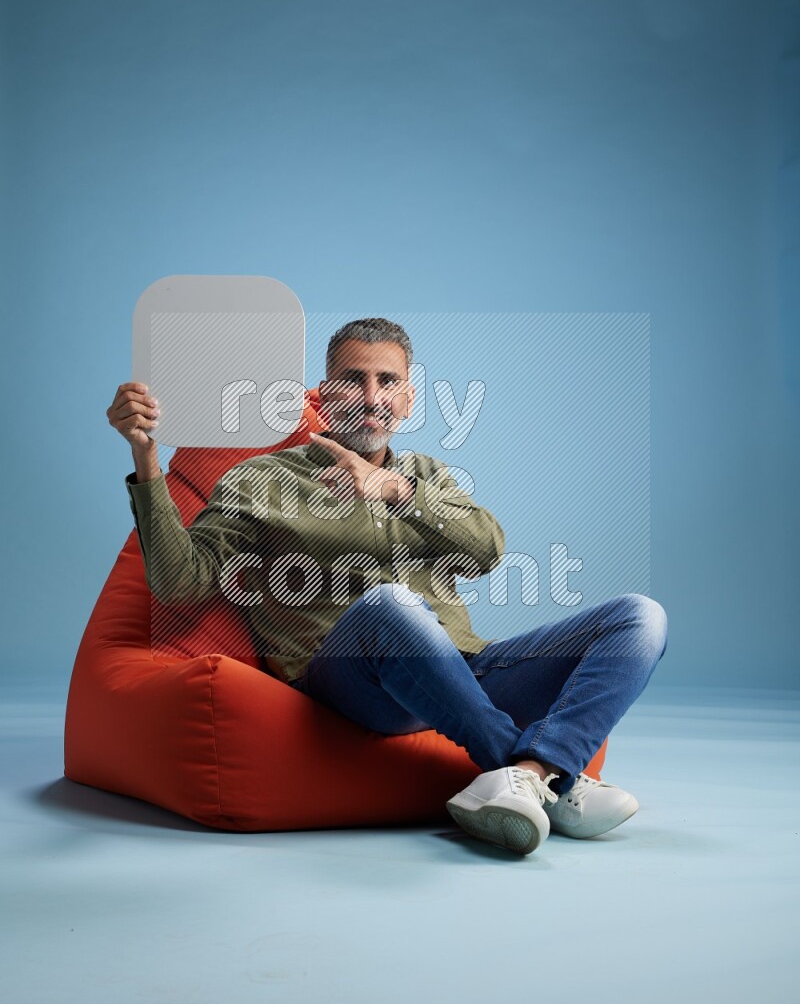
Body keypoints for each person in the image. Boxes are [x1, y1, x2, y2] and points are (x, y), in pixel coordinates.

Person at [107, 316, 668, 856]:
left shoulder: (426, 477)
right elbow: (179, 582)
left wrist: (397, 491)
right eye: (354, 379)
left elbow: (488, 552)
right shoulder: (262, 480)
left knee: (639, 617)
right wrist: (147, 459)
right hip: (351, 682)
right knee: (391, 604)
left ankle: (531, 776)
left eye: (388, 381)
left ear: (408, 400)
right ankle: (548, 777)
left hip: (464, 673)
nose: (372, 396)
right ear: (324, 394)